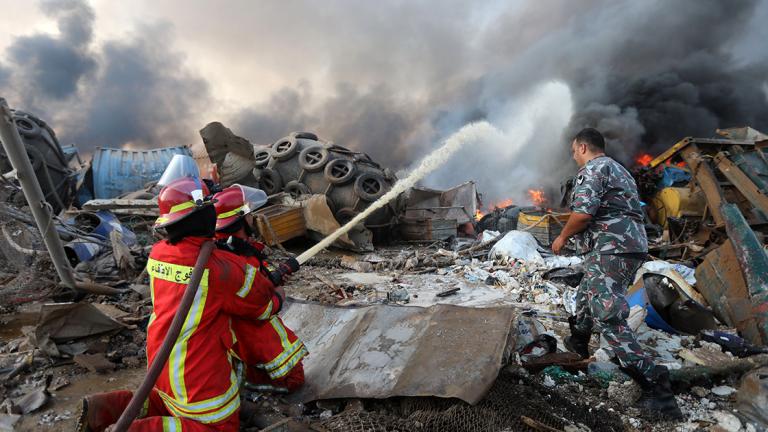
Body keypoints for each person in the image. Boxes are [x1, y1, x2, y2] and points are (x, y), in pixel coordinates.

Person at [79, 177, 280, 431]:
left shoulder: (159, 252)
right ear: (205, 216)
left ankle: (102, 409)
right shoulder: (222, 268)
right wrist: (277, 293)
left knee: (163, 402)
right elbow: (262, 306)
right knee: (219, 428)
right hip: (199, 380)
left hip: (162, 364)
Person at [552, 128, 682, 419]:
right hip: (627, 245)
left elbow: (583, 214)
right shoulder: (619, 170)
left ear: (583, 147)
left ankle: (656, 385)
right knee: (588, 292)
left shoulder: (592, 169)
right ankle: (578, 342)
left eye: (574, 151)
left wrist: (561, 238)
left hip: (611, 248)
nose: (573, 157)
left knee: (608, 314)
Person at [213, 184, 307, 393]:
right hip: (250, 332)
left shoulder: (231, 249)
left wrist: (277, 275)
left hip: (237, 334)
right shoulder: (238, 259)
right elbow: (256, 304)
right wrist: (278, 298)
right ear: (239, 220)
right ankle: (261, 386)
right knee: (294, 379)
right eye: (249, 214)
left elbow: (256, 282)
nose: (252, 218)